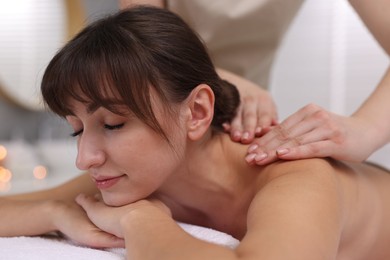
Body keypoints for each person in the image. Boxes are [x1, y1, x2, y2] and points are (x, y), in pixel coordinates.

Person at [1, 6, 390, 259]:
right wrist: (56, 211)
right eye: (76, 131)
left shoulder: (297, 177)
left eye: (113, 124)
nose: (84, 158)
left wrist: (142, 224)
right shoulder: (144, 174)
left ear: (198, 112)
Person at [120, 0, 390, 166]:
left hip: (242, 124)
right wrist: (219, 78)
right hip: (158, 109)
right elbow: (138, 40)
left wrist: (365, 129)